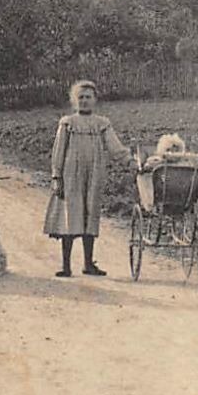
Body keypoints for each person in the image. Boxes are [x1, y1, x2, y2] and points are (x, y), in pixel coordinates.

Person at [45, 81, 131, 277]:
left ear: (95, 100)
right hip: (70, 175)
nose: (84, 101)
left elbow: (114, 147)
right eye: (80, 97)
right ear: (75, 101)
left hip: (94, 174)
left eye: (88, 97)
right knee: (70, 216)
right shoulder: (67, 123)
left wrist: (130, 162)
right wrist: (56, 176)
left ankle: (88, 263)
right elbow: (58, 152)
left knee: (90, 215)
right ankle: (66, 266)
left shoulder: (102, 123)